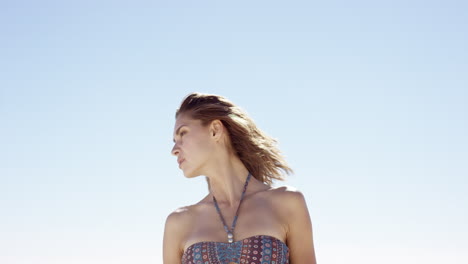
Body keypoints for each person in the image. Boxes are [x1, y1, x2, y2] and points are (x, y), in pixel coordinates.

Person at [163, 93, 317, 264]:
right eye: (174, 140)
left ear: (215, 130)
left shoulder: (287, 203)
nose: (174, 149)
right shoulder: (178, 223)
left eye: (182, 133)